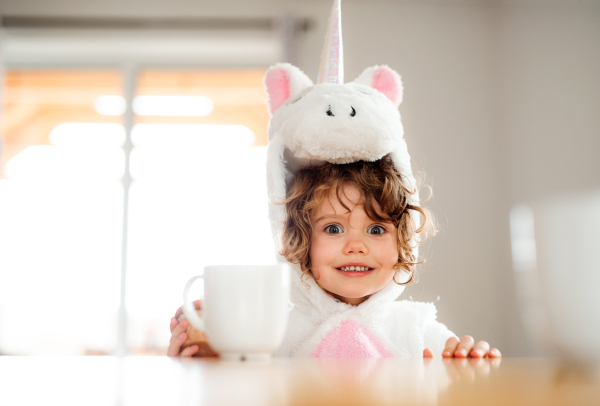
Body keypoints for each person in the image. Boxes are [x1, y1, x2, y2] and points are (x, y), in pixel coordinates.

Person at [167, 0, 501, 359]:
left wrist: (467, 361)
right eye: (333, 229)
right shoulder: (273, 331)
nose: (356, 245)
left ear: (404, 241)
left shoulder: (418, 330)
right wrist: (207, 356)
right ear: (298, 241)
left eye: (376, 230)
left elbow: (461, 383)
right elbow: (241, 384)